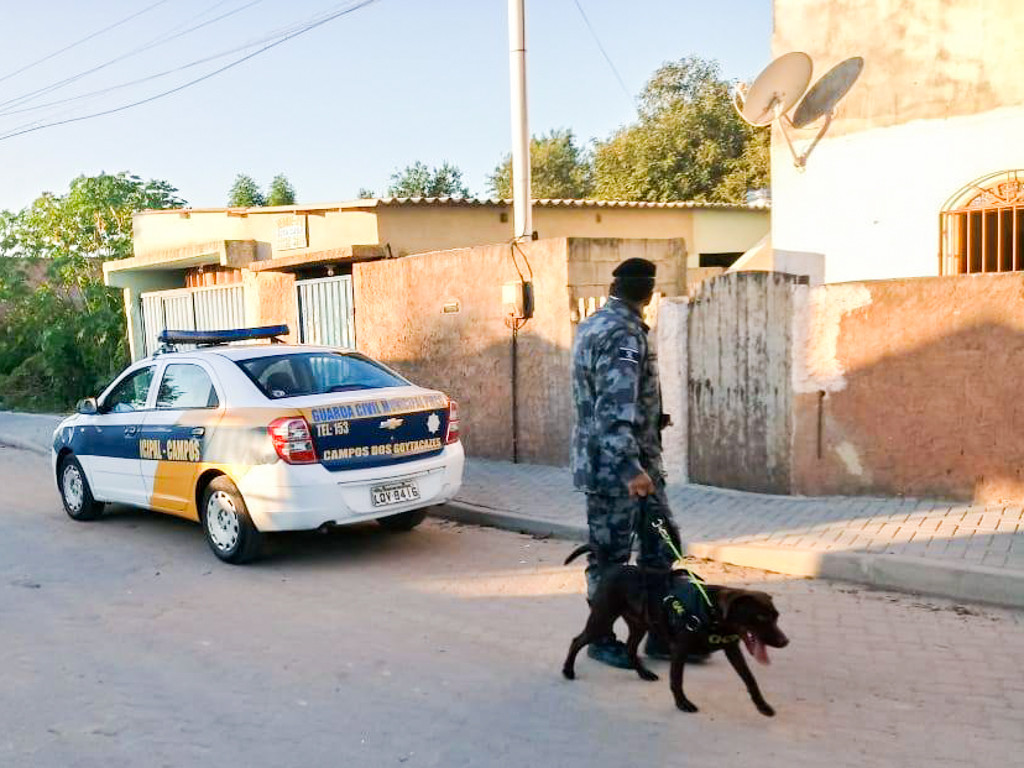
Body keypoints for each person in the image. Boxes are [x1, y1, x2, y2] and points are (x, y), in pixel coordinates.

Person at [570, 257, 680, 668]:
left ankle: (657, 632)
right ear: (648, 294)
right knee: (612, 560)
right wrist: (630, 469)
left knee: (658, 546)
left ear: (613, 287)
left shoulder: (595, 324)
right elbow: (613, 408)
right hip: (619, 470)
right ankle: (600, 638)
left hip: (618, 462)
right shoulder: (622, 334)